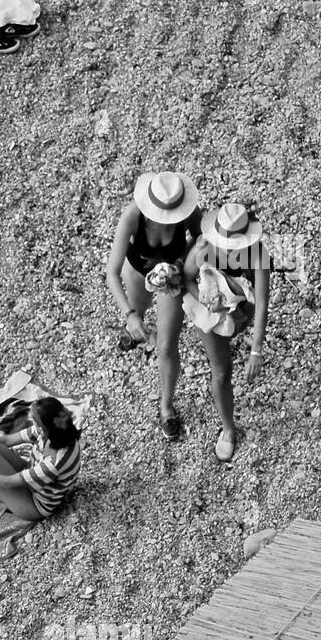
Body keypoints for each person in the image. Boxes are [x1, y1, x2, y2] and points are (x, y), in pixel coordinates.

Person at [105, 171, 204, 441]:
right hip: (137, 271)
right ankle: (132, 332)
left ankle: (166, 406)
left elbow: (201, 239)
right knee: (137, 313)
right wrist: (130, 314)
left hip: (171, 278)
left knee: (167, 345)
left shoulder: (188, 212)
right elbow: (111, 273)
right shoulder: (132, 216)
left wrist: (183, 263)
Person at [178, 203, 271, 461]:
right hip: (210, 311)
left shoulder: (258, 255)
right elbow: (186, 279)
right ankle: (228, 429)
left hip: (240, 311)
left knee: (239, 332)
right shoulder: (204, 246)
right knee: (221, 371)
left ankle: (237, 336)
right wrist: (209, 303)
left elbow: (262, 303)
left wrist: (256, 349)